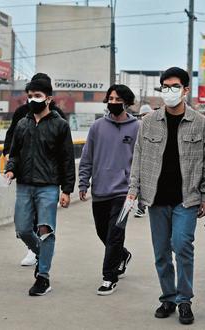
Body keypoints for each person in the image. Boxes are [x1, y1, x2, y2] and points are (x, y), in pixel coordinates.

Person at [127, 67, 205, 325]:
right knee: (161, 252)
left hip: (187, 198)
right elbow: (138, 158)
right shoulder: (148, 121)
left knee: (182, 245)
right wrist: (134, 190)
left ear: (186, 90)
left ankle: (185, 299)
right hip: (156, 197)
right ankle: (169, 297)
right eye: (165, 87)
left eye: (175, 86)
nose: (169, 91)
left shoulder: (200, 123)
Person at [4, 78, 75, 296]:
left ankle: (43, 277)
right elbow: (15, 152)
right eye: (30, 96)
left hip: (48, 186)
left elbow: (67, 159)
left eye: (38, 96)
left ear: (49, 99)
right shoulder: (23, 124)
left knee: (46, 230)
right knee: (23, 229)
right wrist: (10, 169)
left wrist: (66, 190)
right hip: (24, 185)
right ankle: (41, 254)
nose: (33, 100)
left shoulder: (60, 125)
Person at [78, 84, 139, 295]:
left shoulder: (137, 127)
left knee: (115, 232)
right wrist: (83, 182)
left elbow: (141, 159)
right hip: (100, 189)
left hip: (125, 192)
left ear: (127, 102)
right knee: (102, 231)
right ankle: (122, 255)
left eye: (118, 99)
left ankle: (109, 277)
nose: (113, 102)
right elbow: (87, 157)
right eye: (110, 98)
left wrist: (137, 187)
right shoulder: (97, 127)